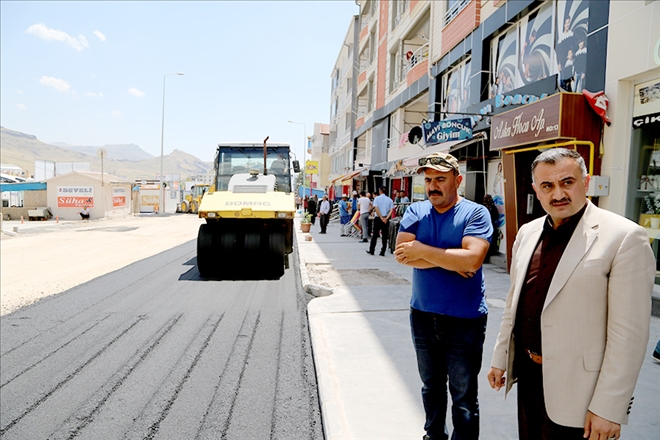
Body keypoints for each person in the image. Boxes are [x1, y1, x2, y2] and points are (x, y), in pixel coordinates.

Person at [487, 148, 654, 440]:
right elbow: (515, 304)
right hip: (529, 378)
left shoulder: (624, 237)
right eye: (547, 185)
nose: (558, 194)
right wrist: (501, 357)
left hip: (582, 393)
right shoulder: (527, 233)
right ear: (535, 190)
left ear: (586, 182)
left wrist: (609, 408)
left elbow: (629, 336)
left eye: (567, 182)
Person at [394, 152, 492, 440]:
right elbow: (402, 254)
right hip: (423, 315)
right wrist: (452, 259)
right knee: (431, 388)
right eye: (428, 180)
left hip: (465, 320)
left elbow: (472, 259)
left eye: (440, 179)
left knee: (463, 396)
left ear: (457, 180)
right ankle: (434, 436)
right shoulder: (415, 211)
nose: (433, 186)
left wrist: (422, 251)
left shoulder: (475, 213)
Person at [367, 186, 394, 256]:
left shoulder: (377, 199)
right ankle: (383, 251)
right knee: (385, 235)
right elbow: (391, 210)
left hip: (378, 218)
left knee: (375, 234)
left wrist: (381, 217)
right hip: (386, 219)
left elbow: (376, 208)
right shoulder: (390, 200)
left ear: (380, 191)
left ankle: (372, 250)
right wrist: (386, 218)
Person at [482, 194, 500, 260]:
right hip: (491, 226)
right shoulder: (492, 208)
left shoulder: (484, 208)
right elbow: (496, 217)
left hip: (486, 227)